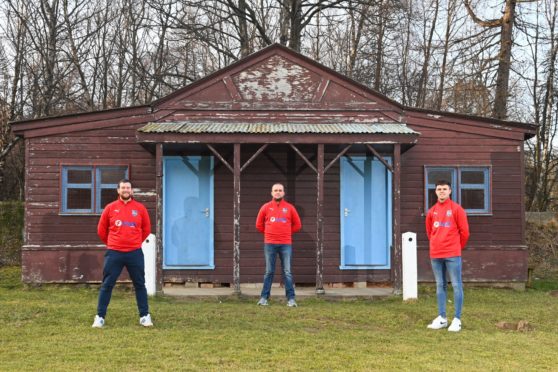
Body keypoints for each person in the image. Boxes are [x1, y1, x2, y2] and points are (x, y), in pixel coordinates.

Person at [92, 179, 153, 328]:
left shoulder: (140, 208)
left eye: (128, 188)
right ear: (118, 191)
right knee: (107, 284)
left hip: (134, 253)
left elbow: (146, 229)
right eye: (123, 188)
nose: (126, 190)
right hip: (114, 253)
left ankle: (144, 316)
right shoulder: (110, 208)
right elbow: (101, 230)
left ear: (132, 191)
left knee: (140, 284)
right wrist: (113, 243)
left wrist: (135, 242)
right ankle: (100, 317)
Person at [425, 180, 470, 332]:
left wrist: (457, 247)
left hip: (452, 254)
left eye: (445, 189)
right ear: (435, 192)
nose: (442, 191)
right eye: (439, 189)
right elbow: (430, 232)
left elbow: (465, 232)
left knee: (456, 285)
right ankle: (442, 318)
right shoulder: (432, 211)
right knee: (440, 285)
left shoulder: (457, 209)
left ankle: (457, 319)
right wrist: (436, 245)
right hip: (436, 254)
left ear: (450, 191)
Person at [255, 183, 302, 307]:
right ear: (271, 193)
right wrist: (270, 233)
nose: (278, 192)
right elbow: (259, 225)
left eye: (280, 190)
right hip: (269, 243)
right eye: (275, 190)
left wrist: (285, 232)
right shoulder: (265, 207)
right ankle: (264, 298)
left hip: (286, 244)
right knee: (269, 271)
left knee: (287, 272)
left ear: (283, 193)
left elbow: (297, 225)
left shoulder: (290, 208)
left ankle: (291, 299)